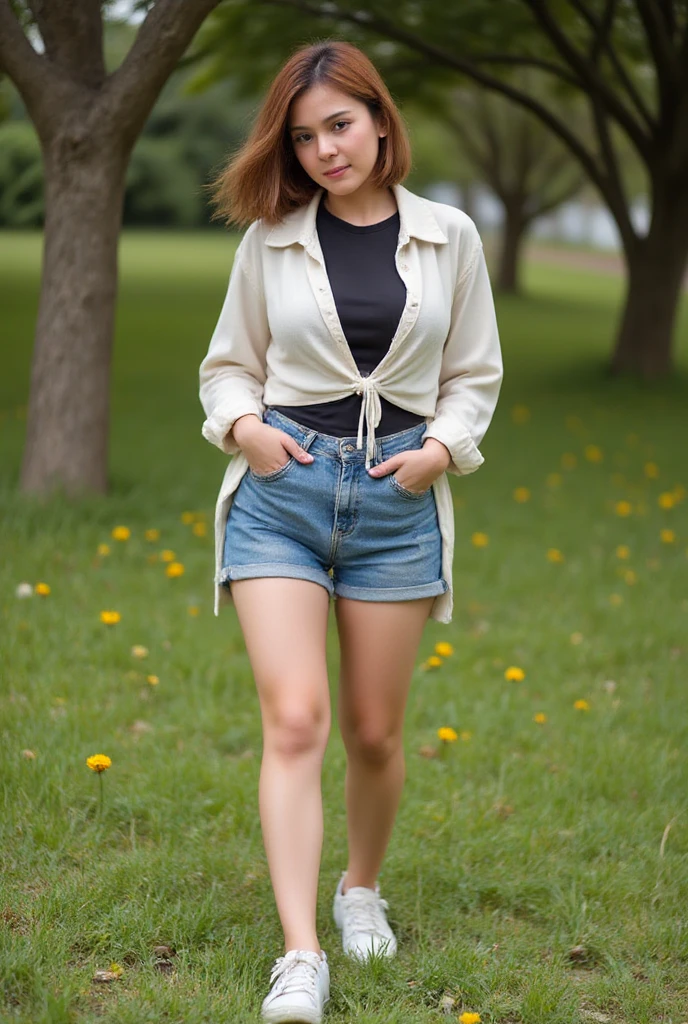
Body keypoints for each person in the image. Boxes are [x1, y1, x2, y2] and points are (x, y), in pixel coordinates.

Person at [199, 38, 503, 1024]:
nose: (327, 149)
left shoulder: (449, 236)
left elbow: (473, 376)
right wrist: (246, 428)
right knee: (296, 721)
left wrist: (440, 449)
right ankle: (299, 955)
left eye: (340, 124)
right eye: (305, 136)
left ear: (379, 120)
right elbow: (225, 368)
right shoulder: (271, 240)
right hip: (280, 495)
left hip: (395, 501)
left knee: (374, 733)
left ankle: (358, 885)